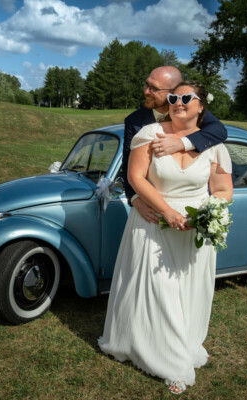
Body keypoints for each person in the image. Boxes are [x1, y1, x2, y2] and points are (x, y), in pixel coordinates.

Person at [98, 81, 234, 394]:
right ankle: (172, 363)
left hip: (192, 231)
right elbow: (135, 177)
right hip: (152, 223)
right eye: (174, 97)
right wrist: (166, 212)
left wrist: (209, 212)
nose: (178, 102)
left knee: (184, 291)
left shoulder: (214, 145)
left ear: (201, 106)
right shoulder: (150, 134)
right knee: (160, 290)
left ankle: (180, 343)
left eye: (187, 98)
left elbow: (224, 190)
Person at [122, 66, 227, 224]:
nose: (146, 92)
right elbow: (128, 164)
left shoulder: (192, 111)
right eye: (147, 85)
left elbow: (220, 131)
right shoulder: (135, 121)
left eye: (154, 88)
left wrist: (182, 143)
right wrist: (135, 199)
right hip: (152, 213)